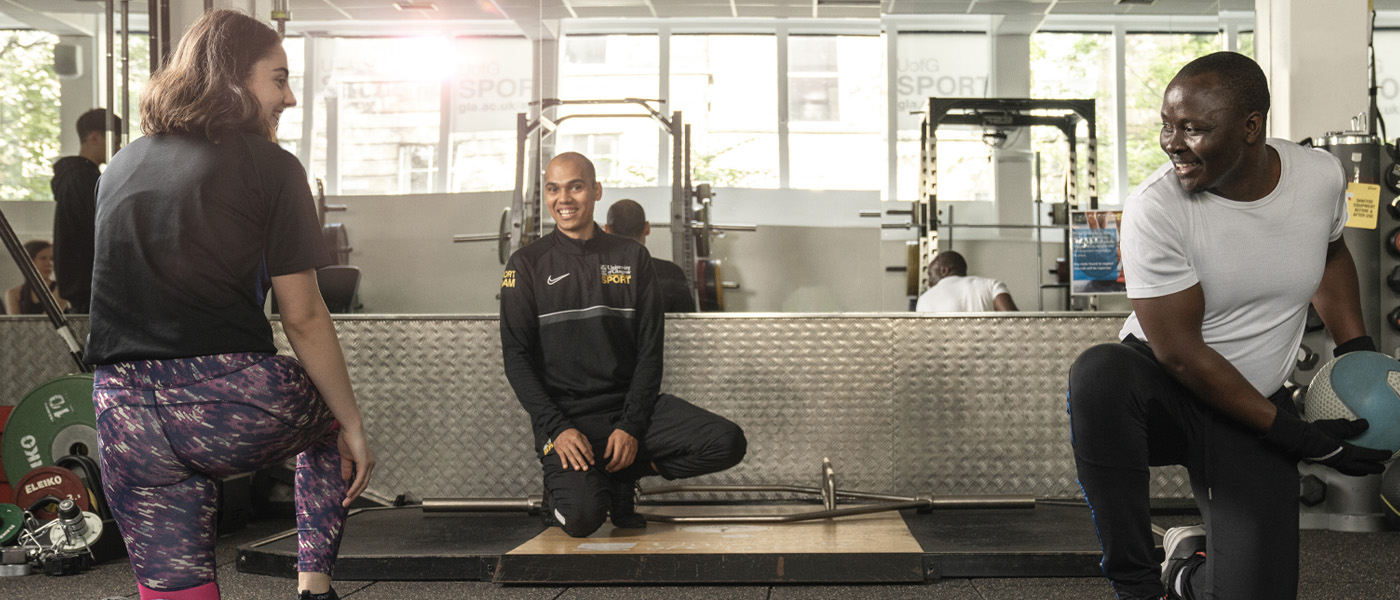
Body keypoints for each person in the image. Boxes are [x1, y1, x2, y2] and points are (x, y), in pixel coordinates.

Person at [1067, 51, 1389, 600]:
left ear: (1250, 128)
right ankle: (1137, 584)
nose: (1172, 142)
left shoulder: (1319, 176)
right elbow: (1180, 354)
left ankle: (1184, 574)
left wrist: (1357, 353)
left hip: (1251, 403)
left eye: (1193, 129)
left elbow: (1331, 252)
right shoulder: (1156, 208)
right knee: (1098, 373)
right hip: (1161, 393)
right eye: (1167, 125)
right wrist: (1294, 435)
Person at [85, 10, 374, 600]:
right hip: (225, 399)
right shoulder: (273, 167)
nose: (288, 97)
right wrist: (352, 422)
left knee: (177, 589)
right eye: (279, 78)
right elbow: (303, 315)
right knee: (330, 424)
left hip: (122, 413)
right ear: (231, 79)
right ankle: (315, 588)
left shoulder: (118, 168)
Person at [500, 151, 746, 538]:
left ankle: (623, 474)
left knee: (726, 441)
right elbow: (516, 357)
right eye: (553, 189)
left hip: (629, 412)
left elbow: (650, 351)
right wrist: (556, 428)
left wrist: (631, 426)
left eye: (575, 187)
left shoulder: (632, 257)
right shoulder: (526, 264)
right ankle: (565, 495)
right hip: (567, 421)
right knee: (583, 519)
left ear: (596, 190)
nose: (563, 199)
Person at [52, 107, 120, 313]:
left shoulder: (76, 177)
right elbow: (101, 231)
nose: (118, 148)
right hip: (92, 288)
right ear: (94, 138)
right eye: (115, 141)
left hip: (86, 287)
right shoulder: (83, 179)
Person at [604, 198, 698, 313]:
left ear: (607, 230)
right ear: (647, 228)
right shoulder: (672, 274)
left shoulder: (595, 273)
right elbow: (686, 324)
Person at [914, 250, 1017, 312]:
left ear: (944, 270)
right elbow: (1015, 322)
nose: (929, 282)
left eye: (931, 275)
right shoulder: (991, 285)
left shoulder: (924, 299)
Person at [4, 239, 69, 315]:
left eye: (52, 259)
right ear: (29, 261)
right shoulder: (13, 294)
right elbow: (15, 324)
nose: (49, 264)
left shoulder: (61, 290)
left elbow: (47, 322)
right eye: (43, 258)